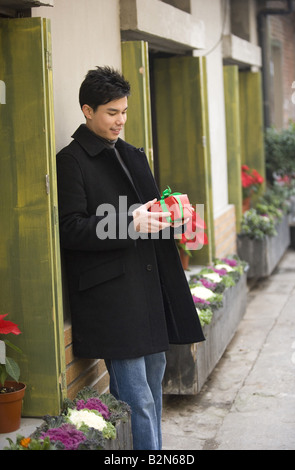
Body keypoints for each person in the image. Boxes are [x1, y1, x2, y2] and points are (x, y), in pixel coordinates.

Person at [56, 66, 205, 450]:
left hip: (147, 285)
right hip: (110, 298)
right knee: (135, 396)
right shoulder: (70, 161)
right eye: (111, 113)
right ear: (88, 110)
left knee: (153, 385)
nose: (120, 120)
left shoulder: (131, 154)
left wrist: (175, 219)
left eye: (124, 111)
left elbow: (148, 217)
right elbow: (70, 228)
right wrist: (128, 222)